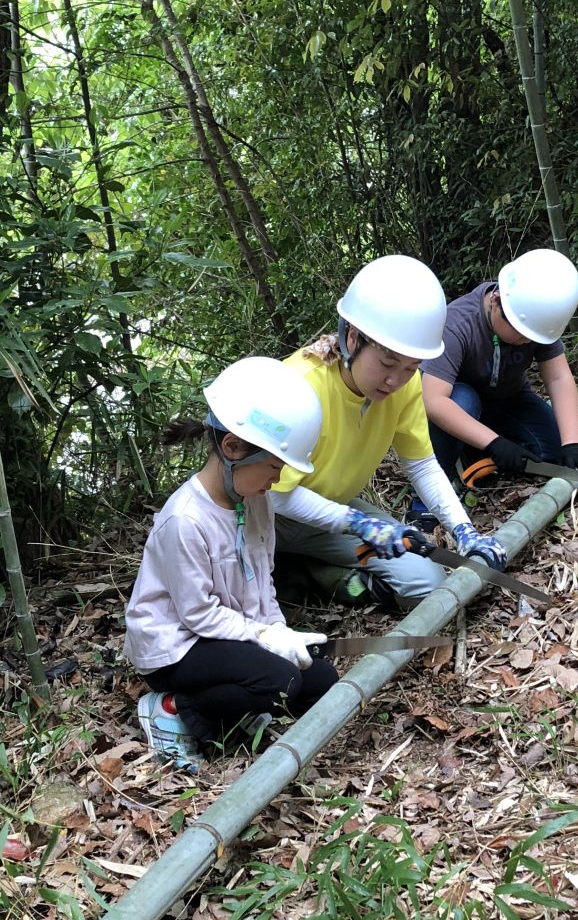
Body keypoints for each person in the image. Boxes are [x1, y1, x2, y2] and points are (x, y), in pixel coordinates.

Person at [124, 357, 336, 770]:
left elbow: (262, 581)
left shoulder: (257, 501)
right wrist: (265, 639)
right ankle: (171, 708)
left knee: (321, 678)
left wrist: (277, 630)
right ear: (233, 448)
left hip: (230, 634)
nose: (276, 479)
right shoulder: (184, 520)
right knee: (281, 681)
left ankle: (235, 710)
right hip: (178, 646)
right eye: (274, 466)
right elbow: (198, 614)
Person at [271, 255, 511, 611]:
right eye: (386, 363)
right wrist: (357, 522)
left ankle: (315, 573)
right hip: (265, 521)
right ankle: (283, 571)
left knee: (427, 586)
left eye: (410, 367)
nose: (395, 380)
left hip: (333, 510)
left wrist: (465, 531)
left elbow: (423, 465)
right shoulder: (299, 386)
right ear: (352, 338)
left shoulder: (405, 386)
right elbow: (271, 495)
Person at [422, 247, 578, 486]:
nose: (526, 341)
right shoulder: (457, 325)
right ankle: (433, 488)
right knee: (464, 400)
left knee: (548, 456)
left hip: (509, 400)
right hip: (459, 405)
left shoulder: (535, 317)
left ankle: (484, 453)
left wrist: (573, 444)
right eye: (521, 333)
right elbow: (433, 400)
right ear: (496, 303)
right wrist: (494, 443)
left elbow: (558, 378)